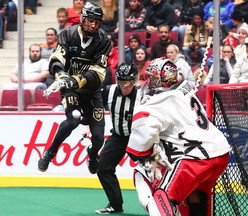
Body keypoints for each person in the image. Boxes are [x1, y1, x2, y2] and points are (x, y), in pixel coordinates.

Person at [126, 58, 230, 215]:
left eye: (154, 78)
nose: (150, 81)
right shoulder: (185, 88)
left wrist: (143, 153)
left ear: (164, 79)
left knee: (160, 198)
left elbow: (143, 134)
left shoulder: (161, 99)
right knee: (194, 193)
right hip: (220, 153)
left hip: (196, 158)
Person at [37, 2, 111, 174]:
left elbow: (98, 73)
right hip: (70, 89)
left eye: (96, 22)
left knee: (99, 138)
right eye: (89, 21)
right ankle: (50, 152)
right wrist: (62, 75)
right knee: (74, 119)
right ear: (82, 19)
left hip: (91, 91)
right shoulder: (67, 34)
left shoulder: (103, 40)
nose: (93, 25)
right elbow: (57, 58)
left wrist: (74, 80)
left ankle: (92, 155)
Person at [91, 63, 142, 214]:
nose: (125, 86)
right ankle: (115, 205)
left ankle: (161, 204)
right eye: (122, 81)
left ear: (135, 80)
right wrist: (89, 124)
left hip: (139, 138)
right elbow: (94, 105)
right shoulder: (109, 91)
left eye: (129, 82)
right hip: (119, 136)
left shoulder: (142, 95)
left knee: (152, 173)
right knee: (103, 168)